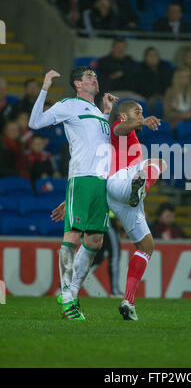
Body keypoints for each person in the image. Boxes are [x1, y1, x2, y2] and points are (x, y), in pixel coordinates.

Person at [52, 99, 166, 321]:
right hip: (122, 182)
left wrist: (70, 201)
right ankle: (141, 185)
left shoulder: (111, 144)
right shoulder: (120, 130)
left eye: (142, 112)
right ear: (123, 116)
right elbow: (119, 127)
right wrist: (140, 121)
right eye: (137, 112)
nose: (141, 115)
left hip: (114, 194)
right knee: (159, 162)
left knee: (145, 245)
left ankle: (127, 302)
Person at [28, 67, 118, 321]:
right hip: (82, 177)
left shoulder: (97, 113)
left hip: (100, 181)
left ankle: (72, 290)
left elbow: (96, 144)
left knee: (95, 241)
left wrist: (107, 112)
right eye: (88, 76)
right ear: (77, 84)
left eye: (95, 75)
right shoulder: (69, 104)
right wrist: (45, 86)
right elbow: (35, 123)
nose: (94, 78)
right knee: (74, 234)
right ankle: (67, 294)